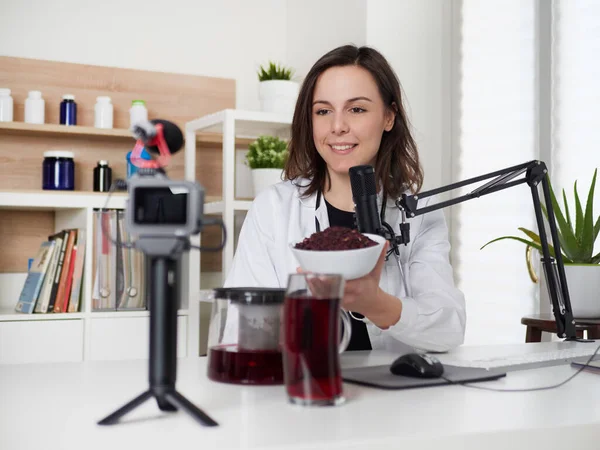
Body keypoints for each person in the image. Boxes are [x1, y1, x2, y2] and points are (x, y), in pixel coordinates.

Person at [224, 45, 466, 353]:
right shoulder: (273, 209)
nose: (338, 126)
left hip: (397, 396)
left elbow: (448, 329)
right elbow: (240, 327)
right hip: (302, 391)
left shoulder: (418, 213)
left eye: (357, 109)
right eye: (323, 111)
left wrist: (375, 304)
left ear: (389, 116)